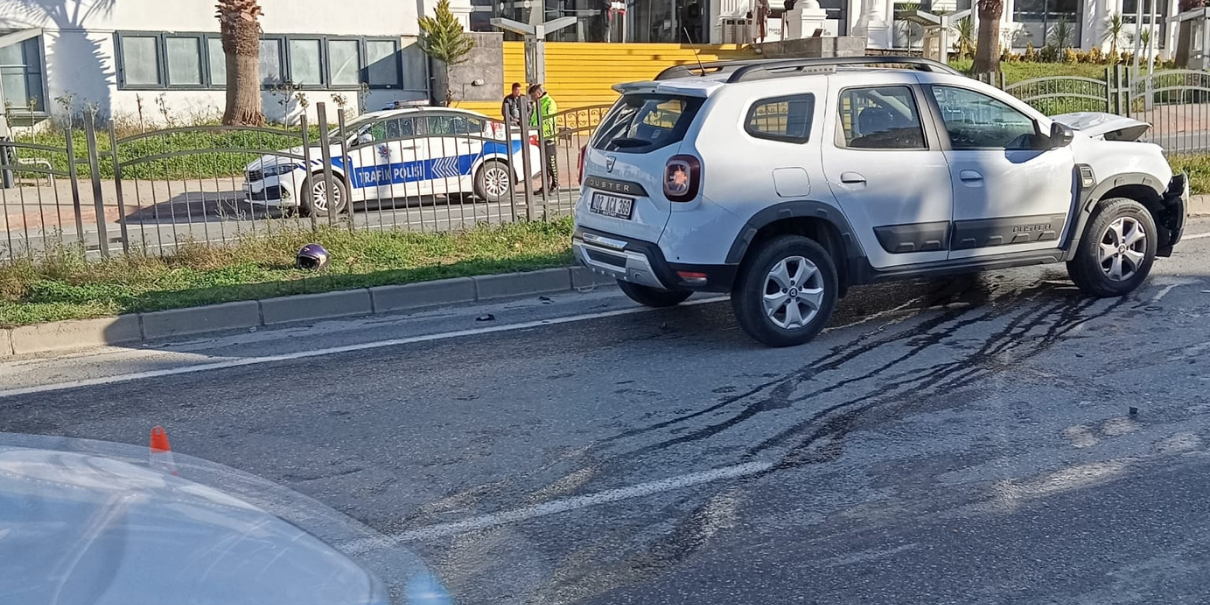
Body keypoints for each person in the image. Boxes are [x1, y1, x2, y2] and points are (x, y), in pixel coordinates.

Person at [528, 84, 559, 193]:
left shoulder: (549, 103)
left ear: (538, 94)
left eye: (532, 96)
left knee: (551, 162)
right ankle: (545, 186)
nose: (532, 98)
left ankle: (555, 184)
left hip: (548, 136)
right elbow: (534, 119)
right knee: (543, 163)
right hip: (540, 136)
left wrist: (538, 127)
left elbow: (548, 119)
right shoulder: (538, 104)